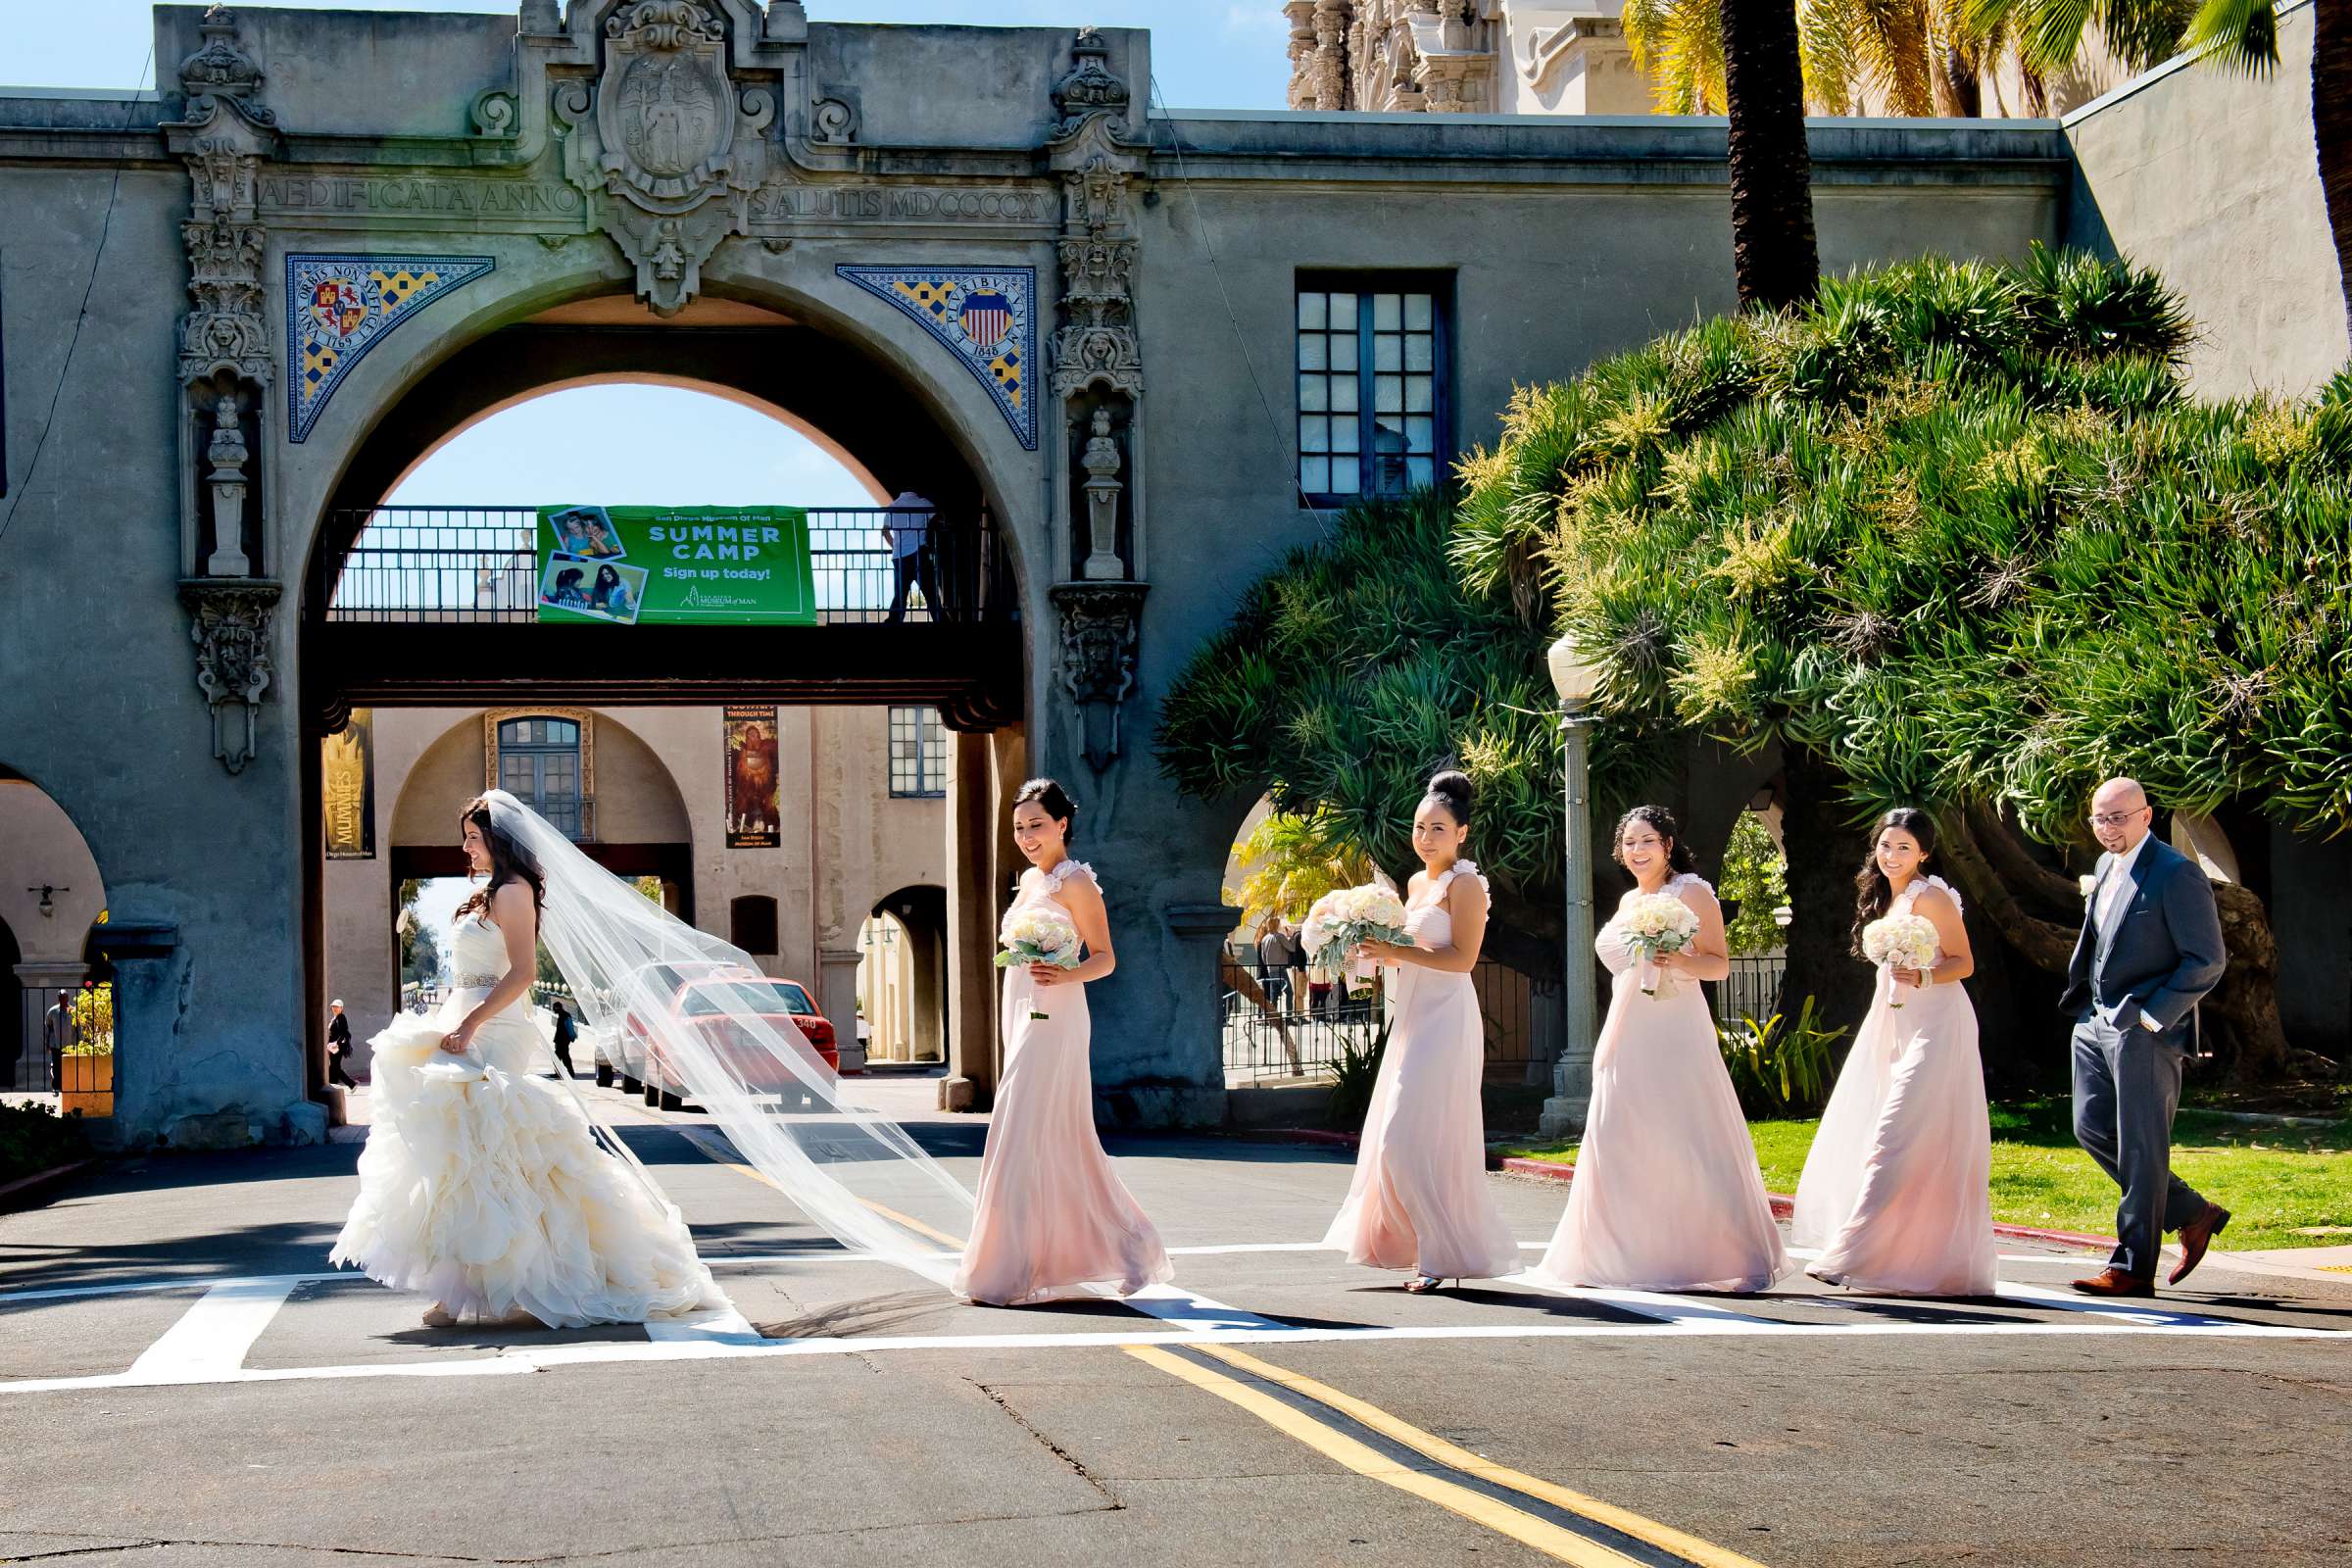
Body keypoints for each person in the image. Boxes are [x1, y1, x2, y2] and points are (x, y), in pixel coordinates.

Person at [332, 795, 723, 1329]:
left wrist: (470, 1024)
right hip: (464, 1019)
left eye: (473, 837)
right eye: (466, 836)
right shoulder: (482, 895)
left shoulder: (514, 894)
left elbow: (519, 974)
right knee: (461, 1152)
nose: (465, 846)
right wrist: (452, 1018)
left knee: (490, 1146)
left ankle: (517, 1278)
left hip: (495, 1028)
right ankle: (478, 1280)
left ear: (500, 841)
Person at [1534, 805, 1786, 1294]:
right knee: (1618, 1131)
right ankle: (1620, 1252)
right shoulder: (1629, 901)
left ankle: (1713, 1250)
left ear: (1668, 845)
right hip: (1628, 1023)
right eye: (1629, 843)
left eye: (1647, 840)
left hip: (1674, 1027)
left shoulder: (1691, 890)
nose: (1637, 851)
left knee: (1683, 1131)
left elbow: (1719, 966)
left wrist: (1680, 958)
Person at [954, 778, 1172, 1305]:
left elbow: (1106, 957)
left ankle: (1008, 1266)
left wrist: (1065, 973)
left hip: (1058, 1010)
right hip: (1022, 1006)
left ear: (1062, 825)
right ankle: (1127, 1248)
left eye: (1037, 825)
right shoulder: (1030, 880)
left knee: (1022, 1125)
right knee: (1046, 1135)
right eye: (1019, 828)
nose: (1027, 837)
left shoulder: (1077, 883)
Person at [1322, 771, 1520, 1294]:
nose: (1426, 838)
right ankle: (1418, 1250)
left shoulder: (1467, 886)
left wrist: (1395, 952)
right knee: (1398, 1136)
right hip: (1410, 1018)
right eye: (1419, 827)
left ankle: (1438, 1251)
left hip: (1446, 1020)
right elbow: (1407, 953)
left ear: (1462, 834)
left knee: (1405, 1140)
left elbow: (1461, 960)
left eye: (1437, 828)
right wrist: (1368, 951)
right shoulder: (1414, 885)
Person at [1792, 809, 1995, 1297]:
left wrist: (1923, 975)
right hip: (1894, 1022)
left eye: (1904, 848)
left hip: (1937, 1025)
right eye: (1886, 846)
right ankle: (1909, 1255)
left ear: (1924, 852)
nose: (1892, 856)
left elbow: (1963, 962)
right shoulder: (1889, 898)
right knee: (1892, 1134)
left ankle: (1852, 1250)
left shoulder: (1933, 896)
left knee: (1894, 1133)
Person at [2061, 776, 2230, 1297]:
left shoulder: (2176, 874)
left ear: (2146, 816)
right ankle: (2191, 1212)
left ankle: (2133, 1268)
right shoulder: (2106, 866)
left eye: (2118, 817)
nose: (2108, 828)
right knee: (2090, 1128)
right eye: (2099, 818)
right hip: (2093, 1024)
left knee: (2141, 1146)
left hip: (2143, 1030)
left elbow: (2207, 959)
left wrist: (2154, 1018)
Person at [880, 490, 938, 624]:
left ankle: (893, 620)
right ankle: (940, 618)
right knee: (930, 592)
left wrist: (895, 546)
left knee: (900, 593)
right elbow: (938, 519)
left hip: (899, 556)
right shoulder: (923, 503)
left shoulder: (892, 506)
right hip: (919, 553)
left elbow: (885, 531)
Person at [40, 991, 74, 1094]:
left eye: (65, 997)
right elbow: (47, 1027)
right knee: (56, 1066)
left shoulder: (73, 1011)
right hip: (56, 1044)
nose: (64, 999)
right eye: (61, 997)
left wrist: (79, 1042)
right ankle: (56, 1086)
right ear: (58, 998)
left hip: (70, 1044)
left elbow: (78, 1028)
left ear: (68, 998)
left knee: (69, 1066)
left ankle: (69, 1085)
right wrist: (47, 1043)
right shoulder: (53, 1011)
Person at [327, 1000, 358, 1090]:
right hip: (333, 1046)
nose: (335, 1008)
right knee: (333, 1067)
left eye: (337, 1007)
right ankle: (333, 1085)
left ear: (341, 1008)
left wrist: (336, 1043)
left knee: (335, 1067)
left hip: (337, 1047)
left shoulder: (341, 1017)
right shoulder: (335, 1018)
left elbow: (344, 1033)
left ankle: (352, 1084)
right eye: (333, 1006)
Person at [549, 1000, 577, 1079]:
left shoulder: (565, 1016)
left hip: (563, 1041)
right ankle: (559, 1073)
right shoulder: (562, 1015)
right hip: (559, 1040)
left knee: (565, 1057)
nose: (553, 1009)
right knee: (557, 1057)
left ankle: (571, 1073)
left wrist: (572, 1036)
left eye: (554, 1008)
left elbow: (570, 1028)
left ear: (558, 1008)